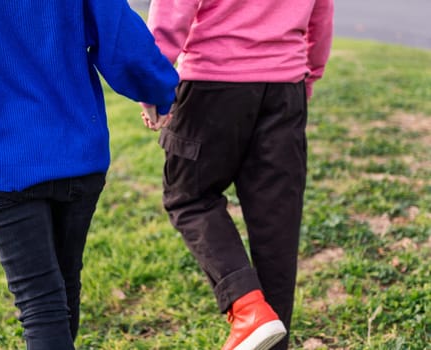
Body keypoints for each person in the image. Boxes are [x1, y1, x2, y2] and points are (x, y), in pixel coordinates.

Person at [0, 0, 178, 349]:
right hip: (79, 152)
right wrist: (157, 91)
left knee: (42, 306)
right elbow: (119, 37)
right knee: (63, 290)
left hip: (0, 161)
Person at [140, 0, 334, 349]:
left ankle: (248, 309)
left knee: (189, 198)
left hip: (212, 85)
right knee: (277, 226)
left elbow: (174, 9)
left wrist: (154, 83)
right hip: (284, 87)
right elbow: (321, 14)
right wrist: (309, 75)